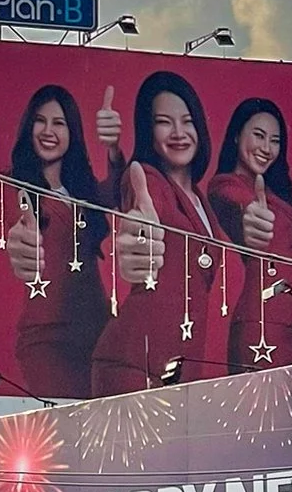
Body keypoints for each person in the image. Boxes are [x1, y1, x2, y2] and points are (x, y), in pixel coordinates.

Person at [90, 72, 224, 396]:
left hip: (177, 366)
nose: (178, 133)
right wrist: (139, 236)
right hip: (136, 363)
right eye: (164, 122)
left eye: (187, 121)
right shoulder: (147, 179)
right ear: (148, 132)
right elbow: (140, 208)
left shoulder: (201, 199)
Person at [3, 84, 116, 397]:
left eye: (59, 123)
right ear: (28, 128)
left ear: (72, 132)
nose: (48, 131)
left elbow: (118, 192)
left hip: (97, 336)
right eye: (40, 121)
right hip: (49, 340)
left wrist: (113, 148)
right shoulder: (15, 187)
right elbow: (16, 228)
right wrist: (21, 243)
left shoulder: (82, 192)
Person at [208, 98, 292, 374]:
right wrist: (250, 213)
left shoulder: (280, 195)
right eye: (258, 136)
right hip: (266, 325)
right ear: (237, 135)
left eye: (275, 140)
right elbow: (235, 203)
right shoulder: (227, 186)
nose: (266, 148)